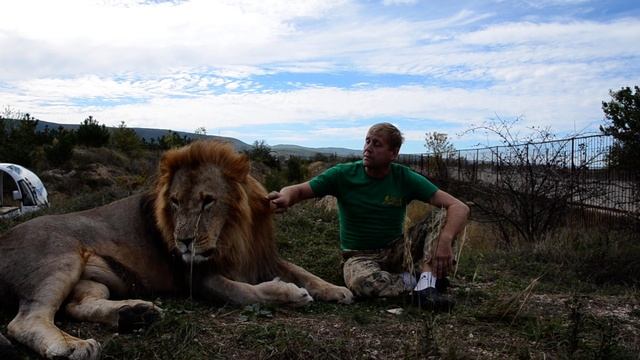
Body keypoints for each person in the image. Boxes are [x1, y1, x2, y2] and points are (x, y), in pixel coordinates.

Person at [267, 123, 469, 311]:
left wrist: (445, 240)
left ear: (393, 153)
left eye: (377, 144)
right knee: (363, 286)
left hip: (397, 250)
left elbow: (459, 207)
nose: (368, 148)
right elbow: (300, 190)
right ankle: (419, 279)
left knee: (444, 214)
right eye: (367, 141)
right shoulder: (343, 174)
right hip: (359, 256)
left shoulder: (403, 177)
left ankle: (426, 290)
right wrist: (285, 196)